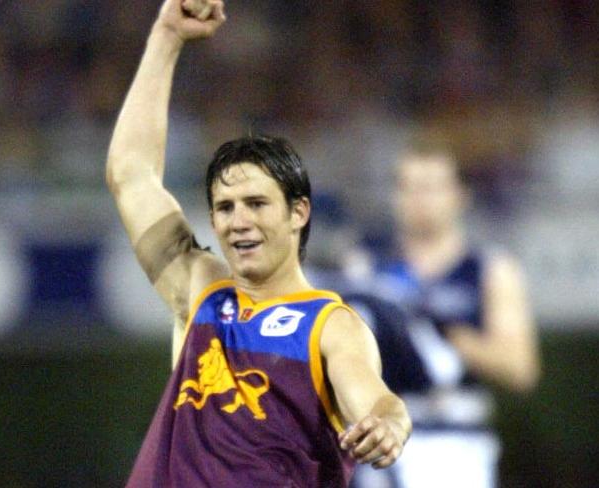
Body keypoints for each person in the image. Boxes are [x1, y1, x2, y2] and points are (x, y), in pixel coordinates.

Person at [105, 1, 412, 486]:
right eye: (225, 208)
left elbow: (375, 400)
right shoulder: (201, 290)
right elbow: (132, 175)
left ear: (298, 213)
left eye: (256, 203)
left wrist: (390, 423)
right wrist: (166, 37)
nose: (238, 221)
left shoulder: (329, 327)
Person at [346, 142, 541, 488]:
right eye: (409, 187)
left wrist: (437, 330)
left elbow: (520, 369)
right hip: (381, 439)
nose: (420, 199)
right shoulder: (366, 268)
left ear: (459, 194)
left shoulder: (488, 270)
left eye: (432, 187)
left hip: (455, 441)